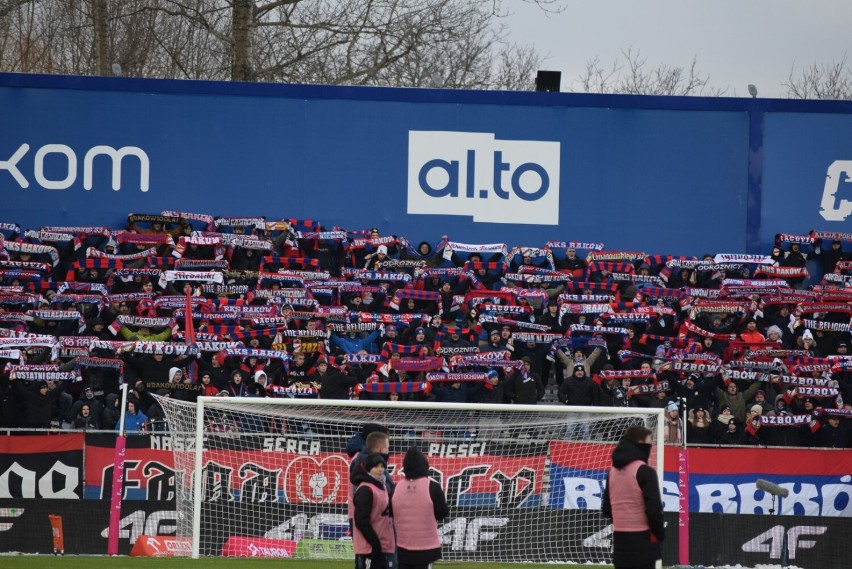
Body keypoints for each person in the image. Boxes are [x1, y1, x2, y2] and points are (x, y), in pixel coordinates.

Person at [602, 425, 665, 569]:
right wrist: (659, 535)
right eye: (649, 442)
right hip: (642, 538)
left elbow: (607, 508)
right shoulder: (645, 471)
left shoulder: (612, 472)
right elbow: (654, 510)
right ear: (640, 444)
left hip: (620, 539)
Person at [392, 447, 449, 569]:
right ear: (425, 465)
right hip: (426, 548)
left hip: (403, 547)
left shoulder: (396, 487)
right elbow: (442, 513)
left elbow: (391, 513)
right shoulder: (433, 486)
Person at [352, 453, 396, 569]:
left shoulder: (382, 486)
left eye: (382, 466)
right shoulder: (365, 489)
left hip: (382, 544)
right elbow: (361, 521)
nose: (380, 469)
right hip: (370, 547)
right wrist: (375, 543)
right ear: (369, 468)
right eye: (376, 466)